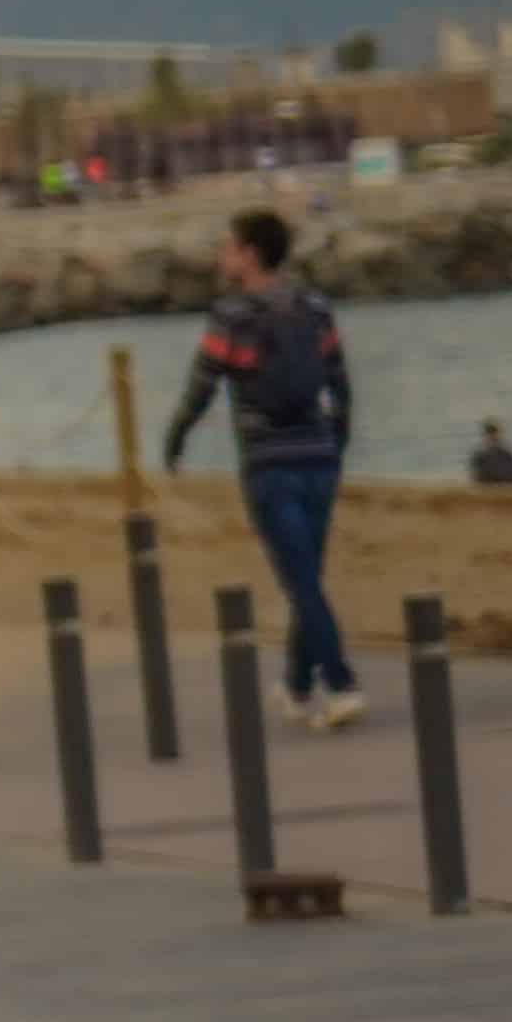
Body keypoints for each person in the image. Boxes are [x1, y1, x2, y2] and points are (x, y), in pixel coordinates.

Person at [165, 207, 363, 727]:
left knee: (300, 581)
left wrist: (175, 441)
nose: (221, 255)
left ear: (250, 254)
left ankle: (342, 684)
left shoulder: (231, 317)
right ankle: (297, 688)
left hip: (269, 464)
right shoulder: (316, 308)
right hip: (318, 458)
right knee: (306, 576)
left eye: (227, 246)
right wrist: (334, 449)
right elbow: (341, 389)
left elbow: (201, 388)